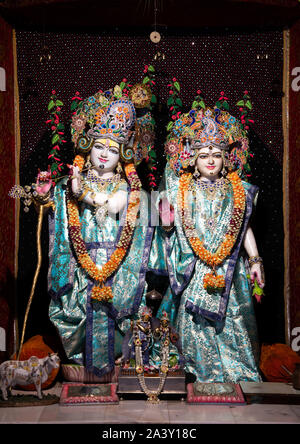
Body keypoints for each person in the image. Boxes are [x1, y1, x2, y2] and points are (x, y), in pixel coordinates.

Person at [35, 85, 155, 378]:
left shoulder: (127, 187)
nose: (104, 155)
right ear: (88, 149)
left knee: (116, 315)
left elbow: (113, 207)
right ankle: (82, 369)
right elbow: (56, 204)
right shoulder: (70, 183)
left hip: (116, 264)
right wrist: (44, 195)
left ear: (124, 155)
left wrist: (80, 192)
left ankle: (116, 368)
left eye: (113, 150)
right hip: (81, 264)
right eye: (99, 147)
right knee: (78, 310)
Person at [149, 105, 264, 383]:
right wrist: (165, 220)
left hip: (229, 269)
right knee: (193, 323)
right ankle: (196, 373)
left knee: (231, 323)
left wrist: (256, 260)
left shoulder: (238, 190)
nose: (210, 161)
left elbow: (243, 227)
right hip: (194, 267)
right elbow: (167, 225)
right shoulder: (180, 187)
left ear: (226, 157)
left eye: (216, 155)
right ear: (193, 158)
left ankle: (233, 374)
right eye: (203, 155)